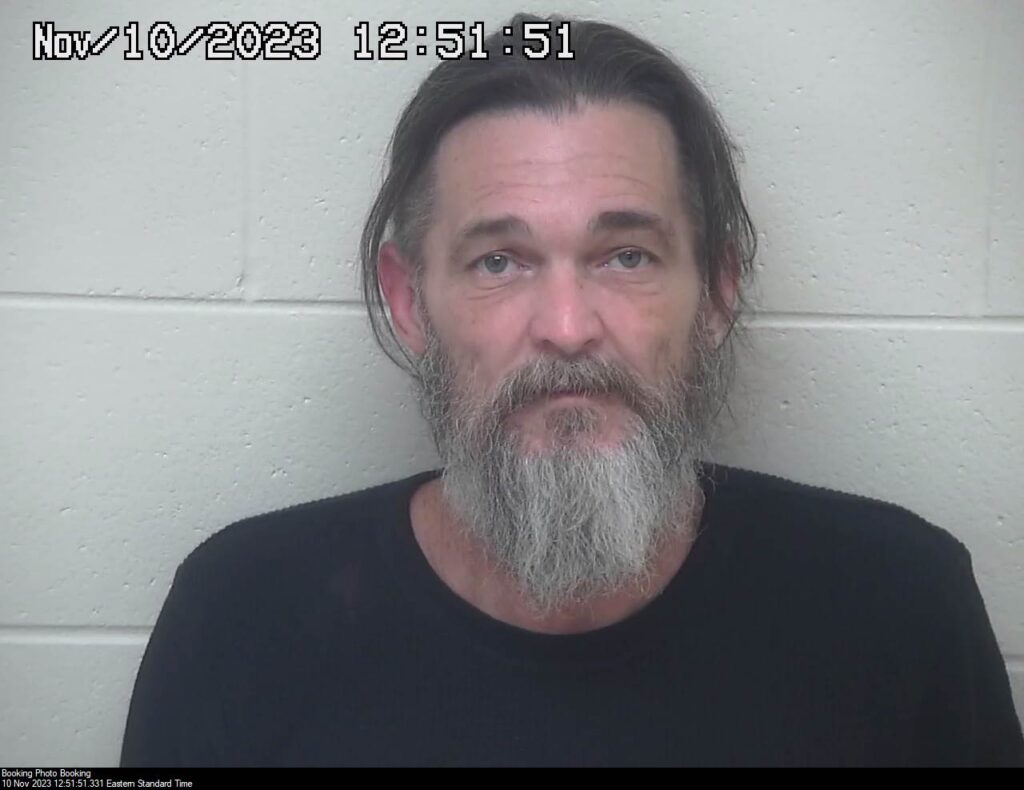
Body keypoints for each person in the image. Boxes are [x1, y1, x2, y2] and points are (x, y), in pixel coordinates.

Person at [121, 13, 1024, 766]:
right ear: (410, 301)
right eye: (499, 261)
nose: (565, 325)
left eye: (626, 256)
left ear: (715, 292)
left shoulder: (901, 607)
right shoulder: (241, 614)